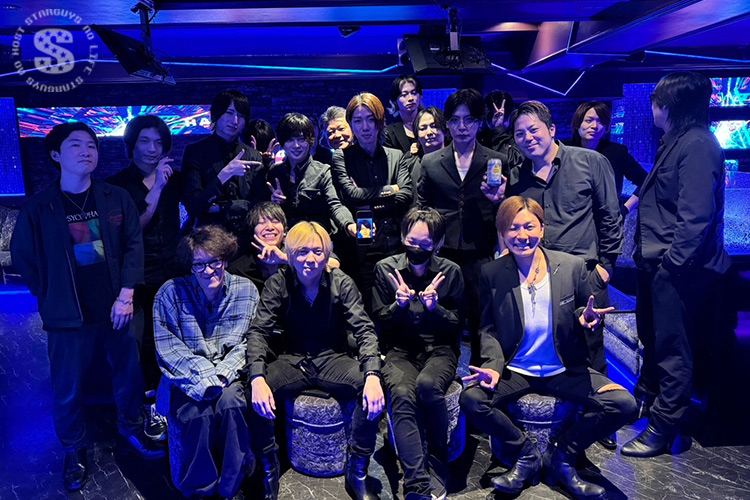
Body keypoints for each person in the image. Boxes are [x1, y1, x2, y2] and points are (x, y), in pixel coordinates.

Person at [10, 122, 165, 492]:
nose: (86, 151)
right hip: (67, 316)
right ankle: (73, 448)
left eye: (92, 146)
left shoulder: (115, 198)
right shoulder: (39, 207)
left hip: (118, 309)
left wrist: (126, 295)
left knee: (128, 376)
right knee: (68, 386)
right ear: (56, 154)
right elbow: (23, 257)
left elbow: (133, 245)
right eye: (76, 145)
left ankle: (131, 428)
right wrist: (48, 294)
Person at [459, 196, 636, 499]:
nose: (522, 235)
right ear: (503, 233)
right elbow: (488, 328)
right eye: (513, 228)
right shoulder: (492, 273)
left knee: (624, 404)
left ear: (542, 229)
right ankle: (526, 454)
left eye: (529, 226)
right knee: (472, 399)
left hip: (563, 367)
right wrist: (492, 365)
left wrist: (586, 319)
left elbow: (582, 311)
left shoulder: (571, 266)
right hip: (517, 368)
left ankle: (563, 456)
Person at [621, 72, 731, 458]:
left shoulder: (698, 144)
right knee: (653, 339)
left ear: (672, 106)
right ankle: (648, 404)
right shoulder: (675, 141)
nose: (653, 107)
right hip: (657, 265)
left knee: (672, 347)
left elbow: (695, 216)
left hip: (678, 270)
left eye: (657, 101)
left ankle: (665, 425)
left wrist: (672, 265)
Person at [246, 222, 385, 500]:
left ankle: (358, 468)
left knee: (372, 386)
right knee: (252, 390)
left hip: (331, 357)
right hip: (293, 359)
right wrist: (257, 377)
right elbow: (258, 331)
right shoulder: (278, 282)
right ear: (290, 254)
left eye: (318, 252)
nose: (310, 259)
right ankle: (268, 467)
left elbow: (364, 329)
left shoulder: (341, 281)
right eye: (302, 252)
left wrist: (372, 374)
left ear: (327, 254)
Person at [505, 101, 622, 398]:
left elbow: (610, 216)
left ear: (552, 129)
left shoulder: (590, 161)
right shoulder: (517, 177)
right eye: (520, 134)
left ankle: (599, 410)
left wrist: (606, 268)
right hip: (539, 277)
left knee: (591, 352)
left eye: (533, 130)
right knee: (551, 350)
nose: (527, 138)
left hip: (586, 273)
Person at [153, 225, 259, 499]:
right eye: (199, 265)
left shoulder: (247, 291)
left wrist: (221, 375)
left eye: (214, 262)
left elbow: (248, 343)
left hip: (229, 374)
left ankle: (231, 487)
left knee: (233, 406)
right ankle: (200, 490)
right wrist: (206, 379)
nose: (208, 271)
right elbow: (169, 350)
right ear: (190, 266)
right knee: (195, 413)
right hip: (186, 376)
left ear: (225, 260)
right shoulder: (169, 293)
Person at [372, 207, 466, 500]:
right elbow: (379, 321)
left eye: (426, 244)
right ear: (403, 237)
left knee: (427, 385)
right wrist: (398, 306)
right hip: (400, 350)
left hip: (440, 349)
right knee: (401, 392)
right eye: (412, 242)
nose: (417, 249)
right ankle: (416, 484)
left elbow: (458, 323)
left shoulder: (451, 272)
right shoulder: (386, 269)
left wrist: (435, 309)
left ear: (438, 243)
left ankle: (437, 464)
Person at [417, 88, 508, 365]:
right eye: (455, 120)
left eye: (469, 120)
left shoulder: (496, 160)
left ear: (480, 122)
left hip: (481, 250)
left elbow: (507, 214)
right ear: (447, 124)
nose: (462, 127)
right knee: (443, 316)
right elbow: (421, 207)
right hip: (443, 252)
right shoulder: (431, 162)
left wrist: (498, 201)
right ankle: (443, 370)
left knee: (482, 316)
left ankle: (482, 370)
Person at [107, 114, 182, 442]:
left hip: (172, 274)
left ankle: (165, 401)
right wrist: (158, 188)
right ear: (131, 145)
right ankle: (139, 410)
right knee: (137, 345)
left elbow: (194, 205)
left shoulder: (173, 178)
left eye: (158, 142)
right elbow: (132, 228)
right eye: (145, 141)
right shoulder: (117, 186)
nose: (153, 148)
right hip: (136, 279)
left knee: (170, 340)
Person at [331, 92, 413, 307]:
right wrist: (391, 190)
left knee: (399, 306)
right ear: (351, 124)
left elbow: (406, 195)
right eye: (358, 121)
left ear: (380, 121)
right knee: (366, 306)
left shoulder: (396, 155)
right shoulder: (342, 157)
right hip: (363, 248)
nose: (365, 127)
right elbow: (351, 195)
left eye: (370, 119)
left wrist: (367, 201)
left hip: (396, 245)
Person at [181, 89, 266, 234]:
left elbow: (260, 204)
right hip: (209, 236)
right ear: (216, 114)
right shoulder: (195, 153)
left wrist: (220, 208)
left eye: (241, 115)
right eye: (229, 113)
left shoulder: (253, 155)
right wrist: (224, 175)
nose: (235, 121)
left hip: (246, 235)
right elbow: (193, 206)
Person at [266, 112, 356, 236]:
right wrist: (272, 203)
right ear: (282, 143)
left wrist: (349, 224)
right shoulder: (274, 172)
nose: (296, 145)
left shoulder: (323, 171)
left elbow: (335, 205)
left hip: (317, 238)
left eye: (301, 139)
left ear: (310, 141)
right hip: (287, 239)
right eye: (290, 140)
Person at [566, 101, 648, 215]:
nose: (594, 126)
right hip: (570, 217)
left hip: (606, 219)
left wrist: (625, 209)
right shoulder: (563, 149)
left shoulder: (617, 152)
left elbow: (646, 181)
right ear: (578, 123)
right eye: (588, 121)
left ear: (606, 127)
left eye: (601, 121)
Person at [400, 107, 448, 206]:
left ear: (444, 128)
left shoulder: (455, 161)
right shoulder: (409, 164)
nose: (429, 132)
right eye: (423, 128)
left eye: (434, 126)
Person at [477, 90, 524, 168]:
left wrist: (498, 130)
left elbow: (511, 162)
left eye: (503, 118)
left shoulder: (519, 135)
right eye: (494, 116)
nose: (497, 121)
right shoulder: (479, 136)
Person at [384, 74, 424, 153]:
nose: (410, 98)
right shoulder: (390, 133)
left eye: (414, 93)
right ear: (395, 100)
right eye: (404, 95)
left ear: (420, 96)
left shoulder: (432, 122)